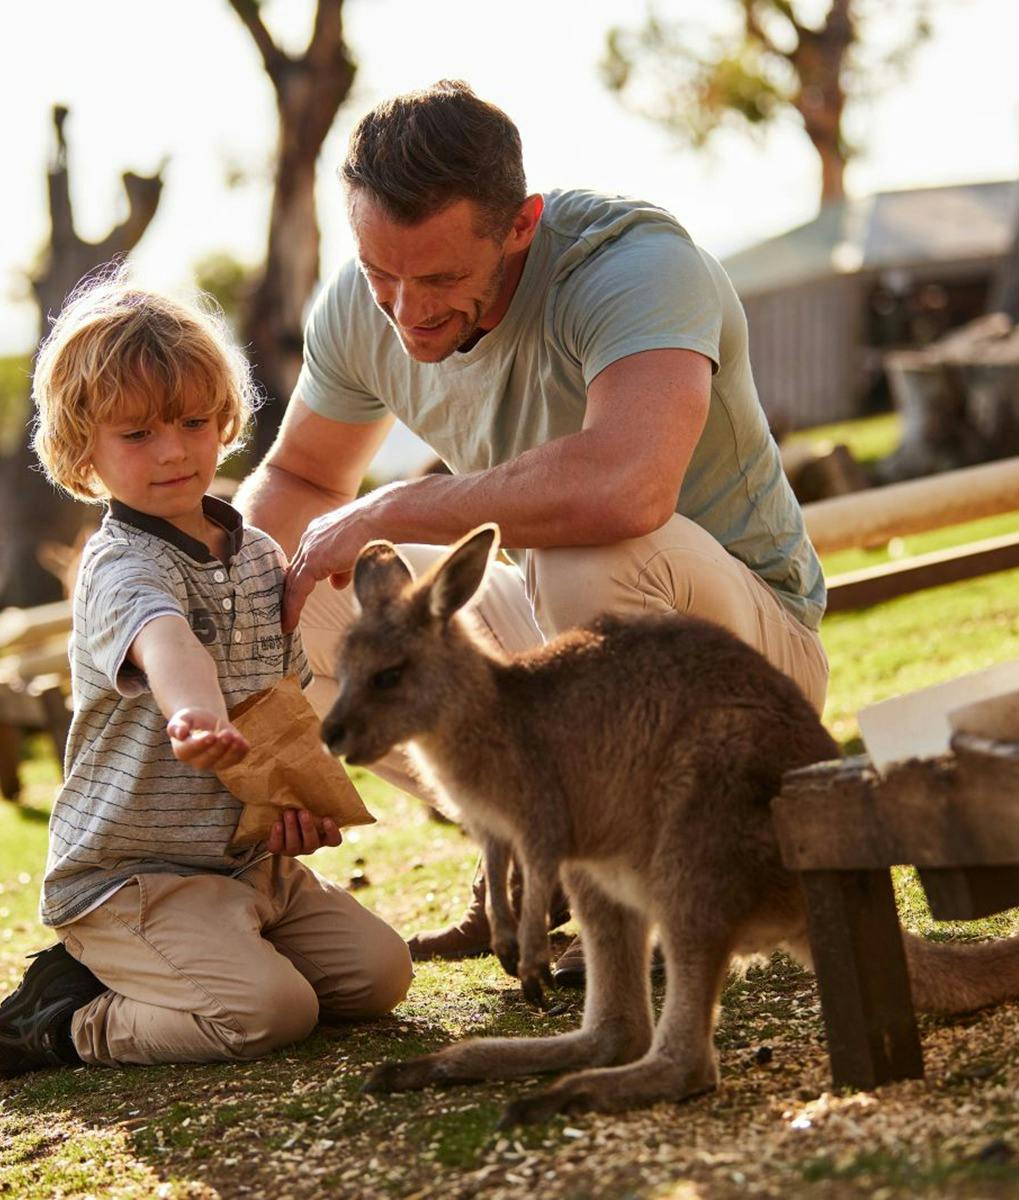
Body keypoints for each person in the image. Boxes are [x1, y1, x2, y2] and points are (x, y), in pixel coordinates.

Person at [235, 80, 828, 982]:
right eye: (379, 272)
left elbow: (627, 489)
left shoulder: (630, 264)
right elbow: (303, 478)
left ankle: (661, 901)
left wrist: (390, 507)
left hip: (740, 665)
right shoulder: (369, 302)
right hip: (567, 661)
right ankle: (524, 867)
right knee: (302, 594)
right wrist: (213, 625)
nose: (406, 311)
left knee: (588, 545)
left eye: (438, 279)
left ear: (521, 225)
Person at [0, 272, 412, 1079]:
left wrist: (292, 801)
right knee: (269, 1014)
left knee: (379, 977)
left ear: (225, 418)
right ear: (84, 449)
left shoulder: (256, 553)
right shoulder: (117, 565)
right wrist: (194, 717)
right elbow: (166, 640)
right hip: (135, 878)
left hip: (246, 865)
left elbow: (279, 703)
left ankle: (218, 947)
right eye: (135, 435)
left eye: (191, 420)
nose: (173, 449)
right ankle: (65, 1020)